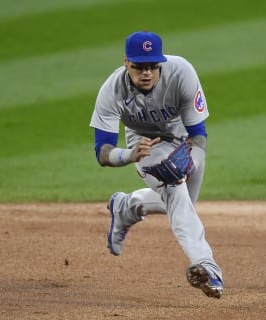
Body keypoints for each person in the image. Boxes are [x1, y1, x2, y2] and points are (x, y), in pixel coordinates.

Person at [89, 31, 224, 299]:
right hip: (144, 144)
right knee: (176, 192)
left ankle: (126, 206)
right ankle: (207, 265)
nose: (147, 72)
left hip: (185, 142)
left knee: (183, 205)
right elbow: (101, 151)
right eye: (139, 66)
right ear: (126, 62)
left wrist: (191, 163)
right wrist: (130, 155)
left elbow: (198, 132)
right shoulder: (111, 90)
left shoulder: (182, 72)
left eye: (152, 65)